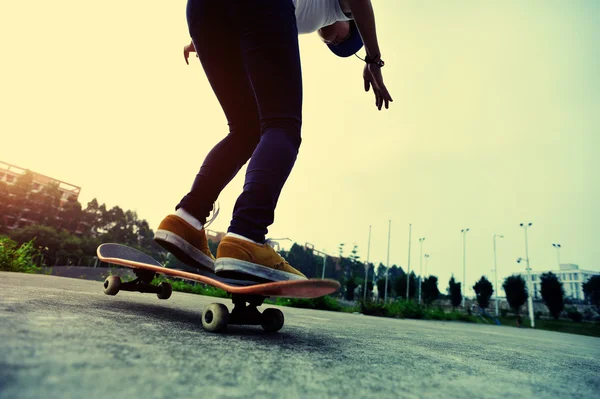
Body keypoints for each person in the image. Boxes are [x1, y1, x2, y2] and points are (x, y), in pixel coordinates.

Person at [154, 0, 392, 283]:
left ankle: (187, 219)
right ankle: (247, 234)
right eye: (348, 36)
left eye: (340, 45)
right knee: (282, 126)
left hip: (207, 12)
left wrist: (210, 35)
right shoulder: (338, 8)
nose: (341, 41)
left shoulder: (306, 18)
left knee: (246, 129)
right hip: (252, 10)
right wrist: (373, 58)